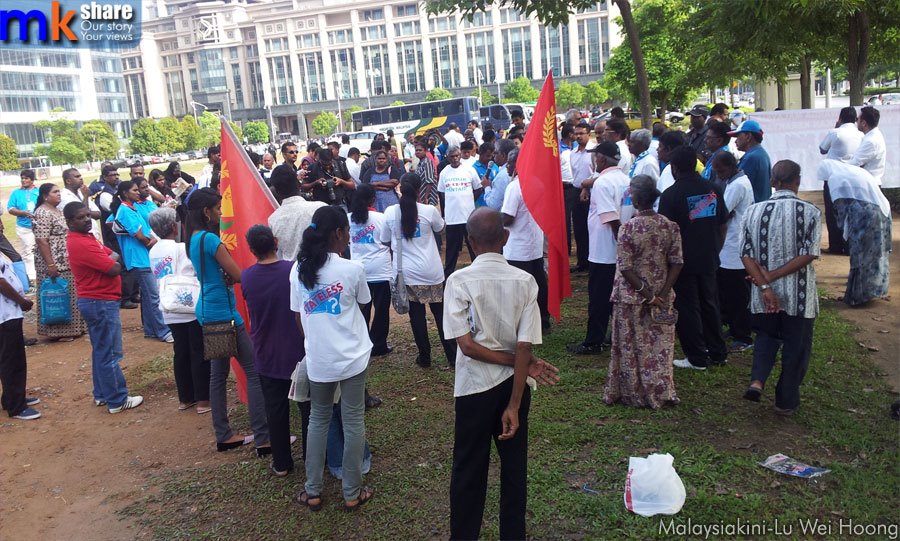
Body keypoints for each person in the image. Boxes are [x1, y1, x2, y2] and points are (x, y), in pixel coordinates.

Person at [444, 207, 559, 541]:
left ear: (469, 241)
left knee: (468, 468)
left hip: (473, 388)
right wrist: (514, 402)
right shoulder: (525, 281)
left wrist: (516, 361)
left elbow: (467, 346)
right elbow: (523, 347)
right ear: (505, 237)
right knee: (514, 468)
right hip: (514, 386)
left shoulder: (458, 281)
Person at [291, 206, 374, 511]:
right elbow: (365, 307)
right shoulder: (352, 269)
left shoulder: (297, 270)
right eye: (347, 231)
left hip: (319, 359)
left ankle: (313, 490)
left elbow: (298, 315)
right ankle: (352, 492)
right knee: (353, 421)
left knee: (318, 419)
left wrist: (316, 340)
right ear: (339, 233)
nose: (349, 236)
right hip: (352, 357)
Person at [185, 188, 270, 453]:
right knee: (254, 371)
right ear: (206, 211)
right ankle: (263, 437)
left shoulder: (193, 238)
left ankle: (224, 434)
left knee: (218, 375)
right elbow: (239, 275)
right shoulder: (211, 240)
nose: (221, 213)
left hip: (208, 310)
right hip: (223, 313)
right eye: (218, 208)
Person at [741, 160, 820, 415]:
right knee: (796, 346)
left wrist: (765, 285)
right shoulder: (810, 212)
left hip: (764, 295)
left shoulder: (753, 211)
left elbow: (745, 254)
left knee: (766, 336)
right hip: (799, 296)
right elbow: (809, 253)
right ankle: (786, 401)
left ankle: (757, 381)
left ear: (773, 182)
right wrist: (775, 275)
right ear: (797, 180)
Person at [603, 175, 682, 408]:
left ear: (636, 199)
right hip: (661, 296)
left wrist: (647, 295)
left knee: (629, 347)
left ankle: (632, 392)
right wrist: (662, 294)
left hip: (631, 297)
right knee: (659, 348)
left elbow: (625, 267)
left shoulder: (628, 228)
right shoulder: (669, 226)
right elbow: (677, 262)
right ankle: (660, 391)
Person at [65, 202, 144, 413]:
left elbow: (114, 254)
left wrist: (109, 259)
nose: (87, 219)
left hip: (97, 300)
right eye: (80, 217)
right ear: (70, 222)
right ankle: (117, 399)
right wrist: (110, 260)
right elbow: (114, 268)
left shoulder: (86, 238)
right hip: (99, 301)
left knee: (101, 350)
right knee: (110, 352)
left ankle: (102, 393)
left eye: (87, 215)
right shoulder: (81, 243)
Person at [241, 225, 305, 476]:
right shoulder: (294, 270)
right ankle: (314, 457)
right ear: (275, 242)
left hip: (266, 352)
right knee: (307, 407)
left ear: (251, 249)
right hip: (297, 350)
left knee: (275, 411)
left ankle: (282, 463)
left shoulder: (247, 277)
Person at [658, 147, 729, 370]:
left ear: (674, 168)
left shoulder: (671, 195)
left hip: (682, 262)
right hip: (709, 256)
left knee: (688, 308)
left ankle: (697, 357)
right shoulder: (713, 188)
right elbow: (723, 224)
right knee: (710, 304)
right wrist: (716, 249)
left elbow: (665, 234)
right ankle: (717, 352)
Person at [381, 173, 457, 368]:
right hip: (432, 272)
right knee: (440, 315)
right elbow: (440, 229)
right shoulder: (429, 211)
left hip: (407, 274)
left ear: (400, 188)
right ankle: (452, 356)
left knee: (416, 316)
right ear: (418, 189)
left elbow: (384, 240)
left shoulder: (390, 212)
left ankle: (424, 357)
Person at [568, 143, 630, 355]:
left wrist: (621, 241)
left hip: (604, 251)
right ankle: (617, 336)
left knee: (598, 298)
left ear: (601, 159)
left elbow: (610, 217)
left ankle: (594, 341)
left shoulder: (603, 183)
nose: (594, 160)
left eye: (595, 156)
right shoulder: (626, 180)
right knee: (615, 298)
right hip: (617, 251)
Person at [148, 208, 210, 414]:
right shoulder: (182, 248)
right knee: (198, 351)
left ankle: (185, 398)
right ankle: (203, 400)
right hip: (188, 306)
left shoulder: (153, 250)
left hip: (169, 307)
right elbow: (192, 271)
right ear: (173, 227)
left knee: (180, 352)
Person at [816, 160, 891, 306]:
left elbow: (839, 206)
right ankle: (875, 290)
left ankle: (857, 296)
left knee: (860, 256)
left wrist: (842, 230)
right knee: (877, 254)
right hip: (881, 212)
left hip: (864, 216)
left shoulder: (835, 178)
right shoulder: (854, 171)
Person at [110, 181, 172, 343]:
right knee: (154, 296)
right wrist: (152, 242)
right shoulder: (125, 210)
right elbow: (139, 236)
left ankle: (151, 329)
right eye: (135, 190)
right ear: (125, 193)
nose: (138, 192)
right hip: (139, 258)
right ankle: (163, 331)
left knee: (147, 296)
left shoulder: (132, 208)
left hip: (143, 257)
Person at [500, 154, 550, 331]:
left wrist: (494, 221)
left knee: (518, 288)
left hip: (518, 246)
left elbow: (508, 217)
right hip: (534, 243)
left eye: (510, 163)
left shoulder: (514, 187)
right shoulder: (537, 182)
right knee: (538, 283)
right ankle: (543, 320)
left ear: (517, 164)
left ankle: (522, 324)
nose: (506, 166)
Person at [33, 183, 87, 341]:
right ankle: (60, 331)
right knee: (57, 294)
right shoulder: (42, 212)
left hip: (65, 259)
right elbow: (42, 240)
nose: (59, 194)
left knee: (70, 293)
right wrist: (51, 264)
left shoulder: (56, 210)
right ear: (45, 196)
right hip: (54, 262)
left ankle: (74, 328)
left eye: (59, 191)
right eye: (55, 192)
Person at [712, 152, 755, 351]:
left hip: (734, 247)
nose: (718, 175)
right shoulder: (734, 182)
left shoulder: (738, 185)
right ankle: (734, 327)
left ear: (730, 167)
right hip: (730, 246)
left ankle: (743, 336)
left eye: (720, 171)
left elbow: (722, 212)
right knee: (728, 293)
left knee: (738, 295)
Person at [347, 184, 393, 357]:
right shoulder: (381, 218)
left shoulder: (348, 218)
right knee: (381, 310)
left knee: (361, 310)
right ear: (373, 199)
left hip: (358, 270)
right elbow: (388, 241)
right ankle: (379, 345)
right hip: (381, 269)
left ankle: (362, 344)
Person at [0, 249, 40, 420]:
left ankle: (10, 398)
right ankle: (16, 406)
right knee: (12, 360)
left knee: (9, 358)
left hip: (8, 313)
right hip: (5, 315)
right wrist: (21, 301)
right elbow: (1, 282)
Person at [438, 148, 482, 277]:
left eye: (457, 155)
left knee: (473, 247)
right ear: (447, 157)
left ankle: (478, 272)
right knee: (451, 250)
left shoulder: (469, 170)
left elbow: (478, 188)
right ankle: (448, 276)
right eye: (452, 156)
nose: (455, 158)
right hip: (452, 218)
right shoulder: (444, 172)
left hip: (468, 217)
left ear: (460, 155)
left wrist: (469, 200)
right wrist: (445, 213)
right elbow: (442, 193)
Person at [268, 168, 327, 261]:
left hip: (290, 269)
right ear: (298, 184)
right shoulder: (320, 208)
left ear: (276, 191)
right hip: (320, 265)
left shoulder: (272, 220)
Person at [569, 122, 596, 272]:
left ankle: (591, 261)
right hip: (576, 191)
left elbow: (596, 172)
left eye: (581, 133)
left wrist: (586, 187)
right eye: (576, 133)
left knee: (590, 227)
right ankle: (582, 261)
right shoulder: (573, 153)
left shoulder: (593, 151)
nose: (578, 136)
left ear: (588, 134)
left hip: (590, 192)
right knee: (579, 228)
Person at [6, 169, 39, 282]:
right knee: (28, 250)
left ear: (32, 180)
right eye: (22, 178)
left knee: (41, 249)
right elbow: (10, 209)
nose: (23, 180)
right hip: (24, 227)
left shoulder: (38, 191)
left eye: (26, 178)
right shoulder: (16, 193)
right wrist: (22, 213)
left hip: (39, 226)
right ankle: (31, 276)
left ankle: (41, 272)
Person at [729, 120, 771, 202]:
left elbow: (738, 187)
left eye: (738, 136)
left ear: (748, 137)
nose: (735, 141)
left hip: (753, 206)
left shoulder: (751, 157)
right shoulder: (761, 153)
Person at [58, 168, 102, 242]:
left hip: (94, 235)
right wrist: (86, 197)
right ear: (68, 181)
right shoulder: (64, 197)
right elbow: (82, 214)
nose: (81, 178)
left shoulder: (82, 193)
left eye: (80, 176)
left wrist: (87, 212)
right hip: (80, 238)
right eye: (77, 177)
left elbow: (98, 214)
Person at [846, 106, 886, 186]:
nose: (856, 122)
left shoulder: (871, 141)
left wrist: (837, 168)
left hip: (868, 185)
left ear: (864, 123)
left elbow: (855, 163)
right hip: (868, 183)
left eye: (857, 119)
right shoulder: (873, 136)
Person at [484, 139, 517, 211]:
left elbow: (493, 205)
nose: (493, 156)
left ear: (503, 155)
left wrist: (487, 187)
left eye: (495, 153)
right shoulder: (520, 170)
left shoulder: (503, 176)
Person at [701, 121, 733, 188]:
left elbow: (719, 187)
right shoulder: (716, 155)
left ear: (719, 141)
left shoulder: (723, 159)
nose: (704, 140)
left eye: (708, 138)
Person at [472, 142, 499, 208]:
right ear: (480, 153)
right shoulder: (474, 169)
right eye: (487, 156)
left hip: (494, 203)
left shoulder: (495, 166)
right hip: (480, 204)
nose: (490, 158)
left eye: (491, 156)